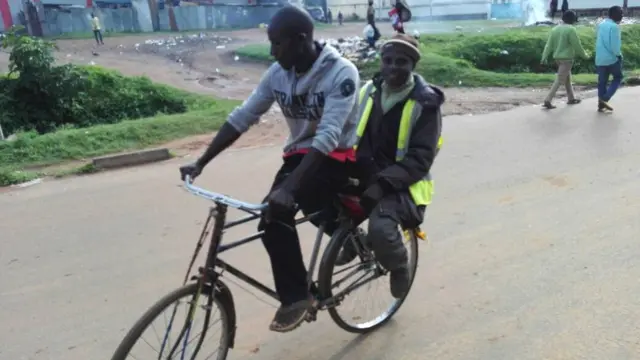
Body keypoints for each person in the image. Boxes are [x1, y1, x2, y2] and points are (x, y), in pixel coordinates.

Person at [179, 6, 360, 333]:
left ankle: (296, 297)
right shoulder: (278, 73)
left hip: (334, 156)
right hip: (300, 154)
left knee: (276, 214)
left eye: (277, 43)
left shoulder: (341, 73)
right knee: (284, 207)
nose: (272, 51)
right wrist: (201, 162)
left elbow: (330, 136)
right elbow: (243, 116)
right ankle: (346, 238)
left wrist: (290, 189)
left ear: (301, 40)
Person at [335, 33, 444, 298]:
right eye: (388, 60)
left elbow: (420, 157)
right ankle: (356, 242)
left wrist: (383, 184)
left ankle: (399, 266)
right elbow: (347, 130)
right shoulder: (368, 91)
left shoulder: (425, 104)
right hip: (364, 170)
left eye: (402, 62)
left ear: (413, 66)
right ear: (381, 62)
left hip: (402, 181)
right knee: (319, 196)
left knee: (382, 227)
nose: (393, 67)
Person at [540, 10, 588, 109]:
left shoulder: (555, 29)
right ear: (572, 19)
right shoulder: (571, 30)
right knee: (560, 79)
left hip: (557, 58)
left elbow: (549, 45)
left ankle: (571, 98)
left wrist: (544, 56)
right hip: (567, 59)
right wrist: (585, 55)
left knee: (567, 78)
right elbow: (577, 45)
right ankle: (547, 100)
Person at [595, 6, 624, 112]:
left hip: (600, 58)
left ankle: (600, 104)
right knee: (618, 77)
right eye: (621, 13)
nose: (622, 15)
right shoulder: (614, 27)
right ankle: (605, 98)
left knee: (602, 82)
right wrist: (619, 55)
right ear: (614, 14)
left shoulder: (600, 24)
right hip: (611, 58)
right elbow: (615, 46)